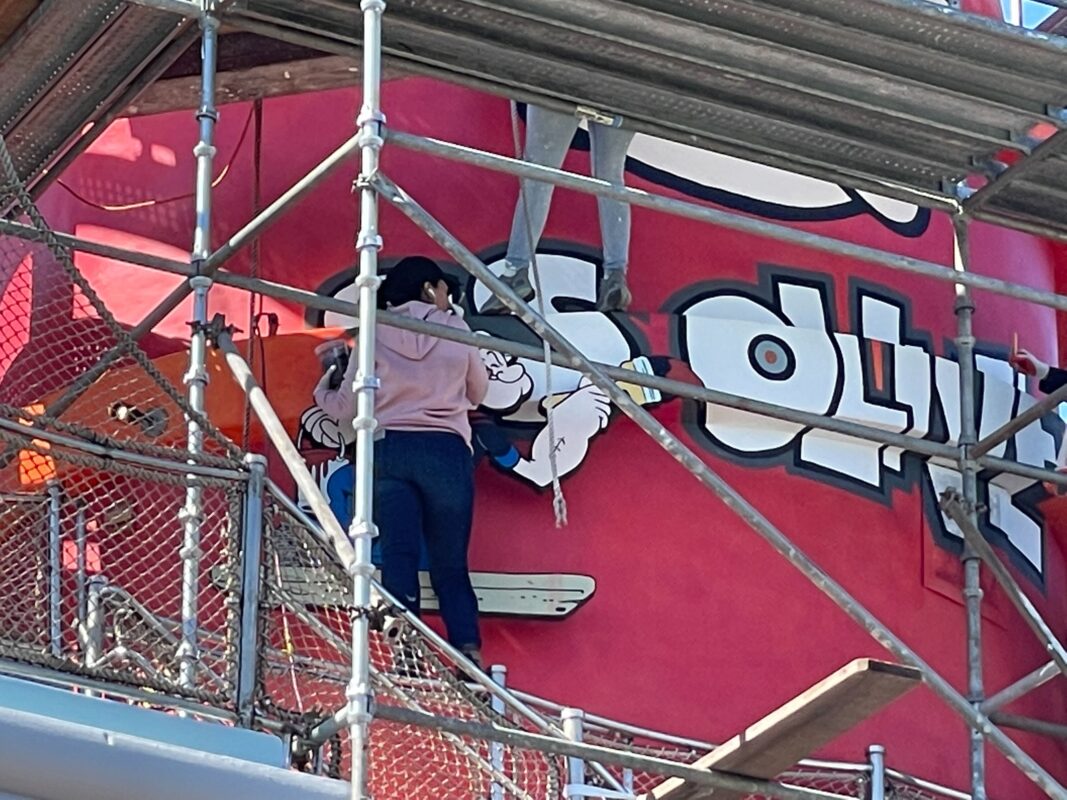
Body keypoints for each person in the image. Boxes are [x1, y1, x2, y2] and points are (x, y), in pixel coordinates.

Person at [315, 256, 490, 667]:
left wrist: (323, 387)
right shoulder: (455, 328)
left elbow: (344, 407)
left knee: (399, 554)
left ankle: (405, 651)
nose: (448, 298)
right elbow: (478, 392)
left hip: (390, 449)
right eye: (444, 289)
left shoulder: (374, 331)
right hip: (446, 453)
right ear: (429, 288)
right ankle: (468, 651)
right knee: (450, 563)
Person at [482, 104, 636, 314]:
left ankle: (515, 271)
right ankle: (615, 275)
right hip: (621, 91)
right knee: (611, 175)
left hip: (569, 87)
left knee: (539, 175)